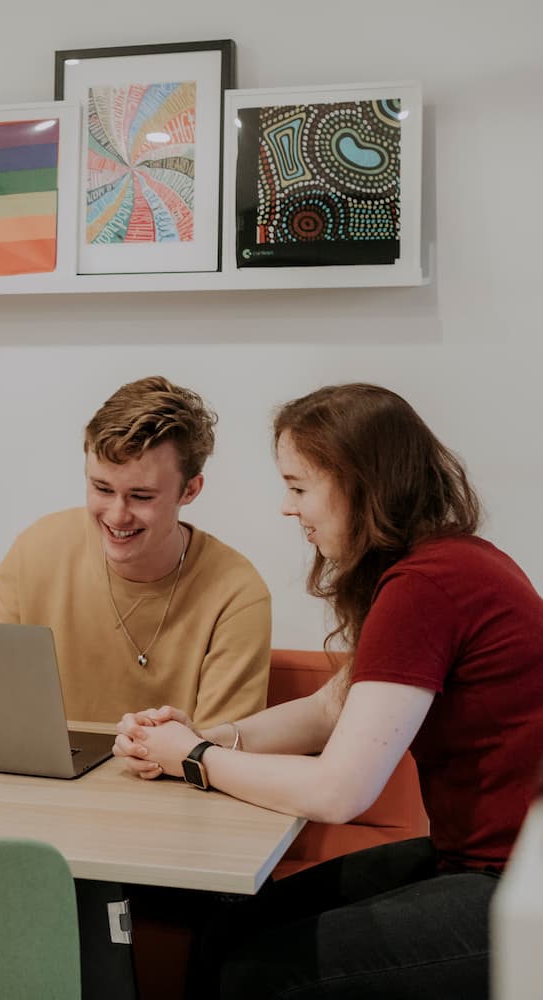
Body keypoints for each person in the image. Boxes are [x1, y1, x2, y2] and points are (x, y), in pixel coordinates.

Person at [114, 383, 543, 998]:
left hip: (521, 883)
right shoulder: (445, 562)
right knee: (228, 925)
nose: (288, 508)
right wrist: (203, 736)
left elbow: (339, 792)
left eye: (298, 486)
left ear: (357, 484)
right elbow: (329, 709)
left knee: (258, 973)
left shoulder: (428, 586)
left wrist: (195, 759)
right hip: (484, 861)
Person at [0, 375, 270, 725]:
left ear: (190, 490)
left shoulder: (237, 592)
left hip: (171, 778)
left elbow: (218, 753)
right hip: (40, 777)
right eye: (102, 488)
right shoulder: (40, 547)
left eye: (141, 496)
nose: (117, 515)